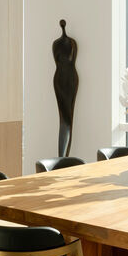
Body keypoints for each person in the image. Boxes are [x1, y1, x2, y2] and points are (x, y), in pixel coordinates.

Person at [52, 19, 78, 157]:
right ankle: (62, 158)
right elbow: (70, 60)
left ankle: (62, 157)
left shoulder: (60, 44)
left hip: (68, 80)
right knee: (64, 117)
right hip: (62, 80)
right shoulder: (61, 44)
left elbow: (59, 61)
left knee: (67, 118)